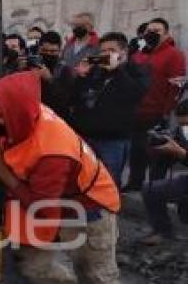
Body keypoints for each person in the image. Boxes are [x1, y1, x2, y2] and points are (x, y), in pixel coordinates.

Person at [0, 70, 135, 284]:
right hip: (50, 200)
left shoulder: (52, 151)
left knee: (98, 278)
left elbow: (41, 208)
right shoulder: (27, 111)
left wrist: (4, 174)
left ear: (16, 111)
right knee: (34, 266)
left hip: (90, 210)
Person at [68, 32, 150, 186]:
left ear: (123, 52)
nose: (106, 54)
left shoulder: (136, 71)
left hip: (113, 140)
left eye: (111, 50)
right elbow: (76, 99)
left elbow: (134, 94)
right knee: (84, 181)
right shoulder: (97, 71)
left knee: (108, 183)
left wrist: (116, 70)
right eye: (103, 51)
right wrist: (81, 77)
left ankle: (108, 209)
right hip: (87, 137)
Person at [127, 17, 187, 190]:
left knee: (156, 153)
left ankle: (155, 187)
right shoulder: (140, 53)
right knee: (136, 151)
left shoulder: (174, 55)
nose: (151, 34)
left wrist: (166, 112)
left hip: (157, 112)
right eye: (149, 31)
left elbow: (175, 86)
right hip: (136, 111)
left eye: (157, 31)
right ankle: (134, 183)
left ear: (166, 34)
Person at [139, 99, 188, 246]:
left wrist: (181, 153)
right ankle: (163, 232)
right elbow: (169, 160)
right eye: (183, 125)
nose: (185, 128)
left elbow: (183, 155)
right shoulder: (183, 132)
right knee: (151, 190)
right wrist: (160, 149)